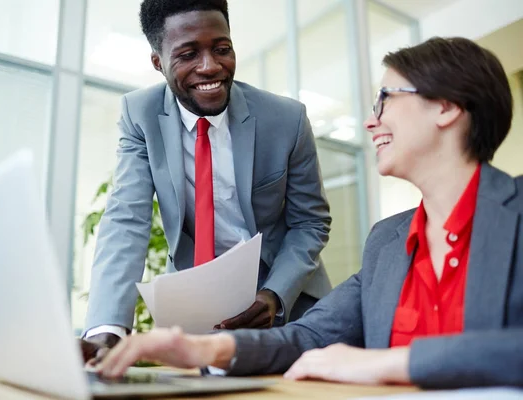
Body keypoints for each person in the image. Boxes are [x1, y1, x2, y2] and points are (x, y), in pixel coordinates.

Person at [91, 36, 523, 389]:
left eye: (386, 99)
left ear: (446, 107)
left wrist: (387, 364)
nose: (372, 122)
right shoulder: (387, 243)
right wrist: (204, 349)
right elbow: (310, 336)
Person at [82, 0, 333, 357]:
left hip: (285, 304)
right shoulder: (140, 115)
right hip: (194, 308)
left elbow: (310, 222)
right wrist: (107, 329)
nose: (210, 67)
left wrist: (274, 295)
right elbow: (126, 220)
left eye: (221, 49)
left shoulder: (286, 119)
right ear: (158, 62)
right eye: (187, 55)